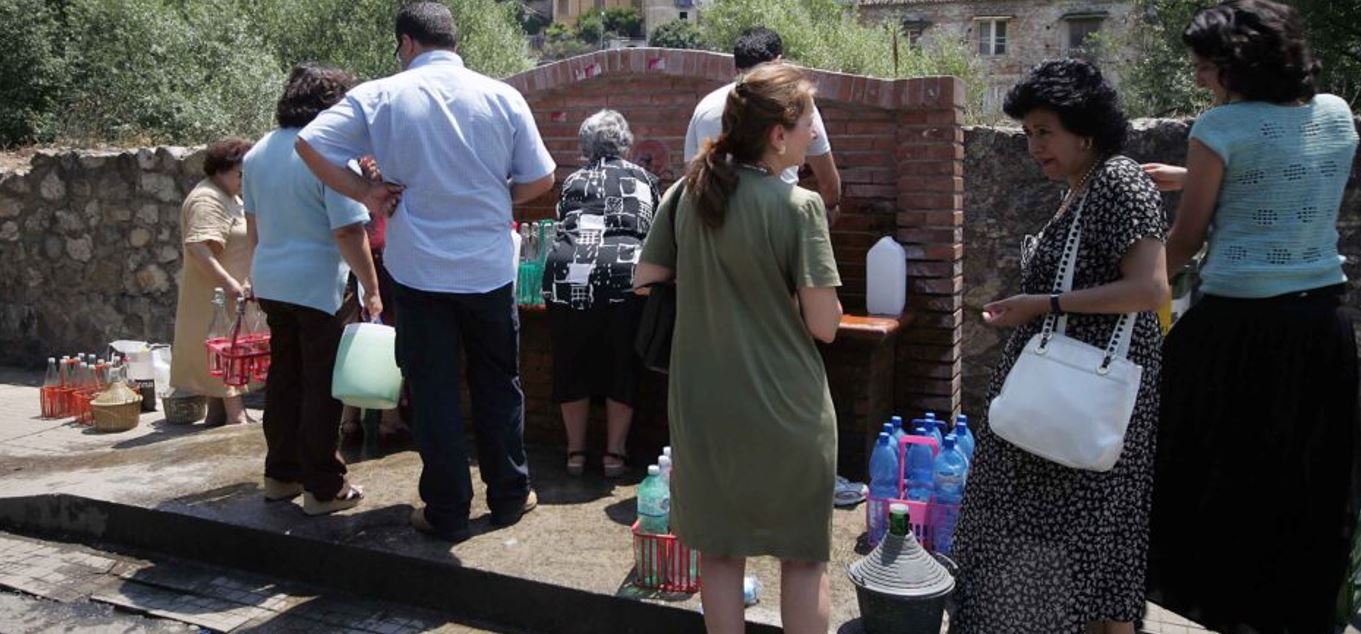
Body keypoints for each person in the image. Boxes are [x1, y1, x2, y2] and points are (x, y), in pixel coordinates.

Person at [295, 2, 556, 541]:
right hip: (489, 269)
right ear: (452, 41)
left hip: (417, 272)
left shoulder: (382, 95)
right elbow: (541, 179)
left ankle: (446, 510)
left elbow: (309, 143)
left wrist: (365, 192)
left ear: (407, 43)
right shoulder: (502, 96)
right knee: (499, 383)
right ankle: (510, 496)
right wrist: (494, 197)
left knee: (433, 391)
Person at [1142, 2, 1359, 632]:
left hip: (1236, 332)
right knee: (1298, 487)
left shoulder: (1220, 127)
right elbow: (1289, 172)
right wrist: (1196, 175)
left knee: (1199, 477)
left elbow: (1186, 241)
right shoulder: (1336, 114)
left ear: (1237, 64)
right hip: (1321, 331)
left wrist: (1130, 291)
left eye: (1205, 65)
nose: (1198, 77)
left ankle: (1211, 609)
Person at [951, 59, 1169, 634]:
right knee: (1082, 556)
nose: (1033, 147)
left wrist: (1042, 305)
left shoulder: (1118, 182)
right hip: (1064, 399)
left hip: (1085, 401)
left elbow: (1150, 289)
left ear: (1086, 131)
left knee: (1074, 550)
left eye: (1044, 132)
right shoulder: (1082, 189)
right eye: (1027, 134)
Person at [634, 63, 843, 634]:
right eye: (807, 124)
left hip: (703, 402)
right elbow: (824, 326)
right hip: (786, 404)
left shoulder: (687, 194)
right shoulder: (799, 207)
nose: (811, 135)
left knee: (719, 551)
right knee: (804, 557)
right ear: (778, 134)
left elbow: (646, 278)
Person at [242, 63, 382, 515]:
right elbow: (348, 231)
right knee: (322, 386)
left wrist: (257, 274)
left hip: (272, 281)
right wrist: (372, 288)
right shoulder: (326, 153)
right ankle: (324, 487)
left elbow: (253, 226)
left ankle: (280, 475)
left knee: (284, 379)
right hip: (321, 286)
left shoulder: (257, 152)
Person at [543, 110, 658, 478]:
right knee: (621, 362)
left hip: (567, 273)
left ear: (585, 146)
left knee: (571, 359)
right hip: (623, 273)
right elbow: (654, 232)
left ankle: (575, 454)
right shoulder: (644, 178)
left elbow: (564, 220)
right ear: (625, 143)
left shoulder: (573, 179)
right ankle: (614, 454)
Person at [683, 26, 842, 225]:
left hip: (713, 219)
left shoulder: (705, 107)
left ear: (736, 67)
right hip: (782, 216)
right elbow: (828, 183)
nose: (813, 134)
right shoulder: (795, 102)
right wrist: (828, 210)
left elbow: (692, 173)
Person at [169, 137, 255, 427]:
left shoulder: (228, 195)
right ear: (221, 170)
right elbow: (198, 247)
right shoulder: (207, 199)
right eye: (241, 174)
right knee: (224, 350)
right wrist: (229, 283)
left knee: (227, 353)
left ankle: (219, 414)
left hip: (226, 295)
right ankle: (235, 417)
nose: (245, 180)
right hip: (215, 296)